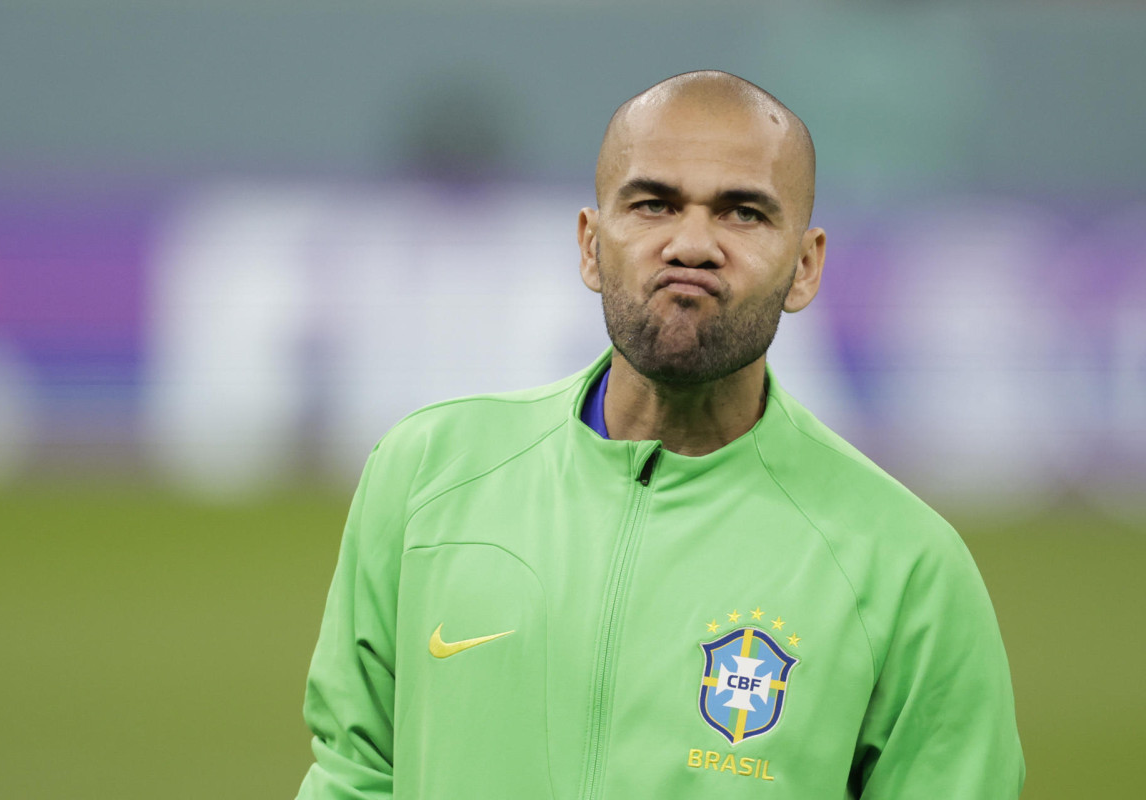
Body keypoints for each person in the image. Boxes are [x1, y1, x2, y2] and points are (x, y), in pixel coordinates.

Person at [296, 70, 1024, 799]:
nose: (692, 245)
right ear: (590, 246)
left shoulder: (905, 567)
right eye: (654, 205)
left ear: (805, 267)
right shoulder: (429, 474)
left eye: (743, 213)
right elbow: (352, 774)